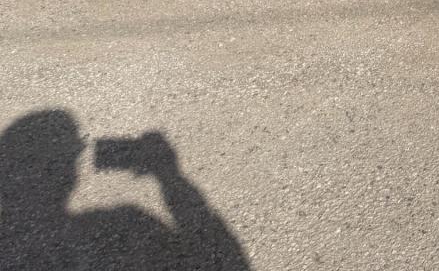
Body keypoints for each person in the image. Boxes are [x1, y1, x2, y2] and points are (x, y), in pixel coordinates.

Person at [0, 109, 251, 271]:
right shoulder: (130, 218)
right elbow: (221, 253)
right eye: (76, 150)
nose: (79, 154)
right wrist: (168, 175)